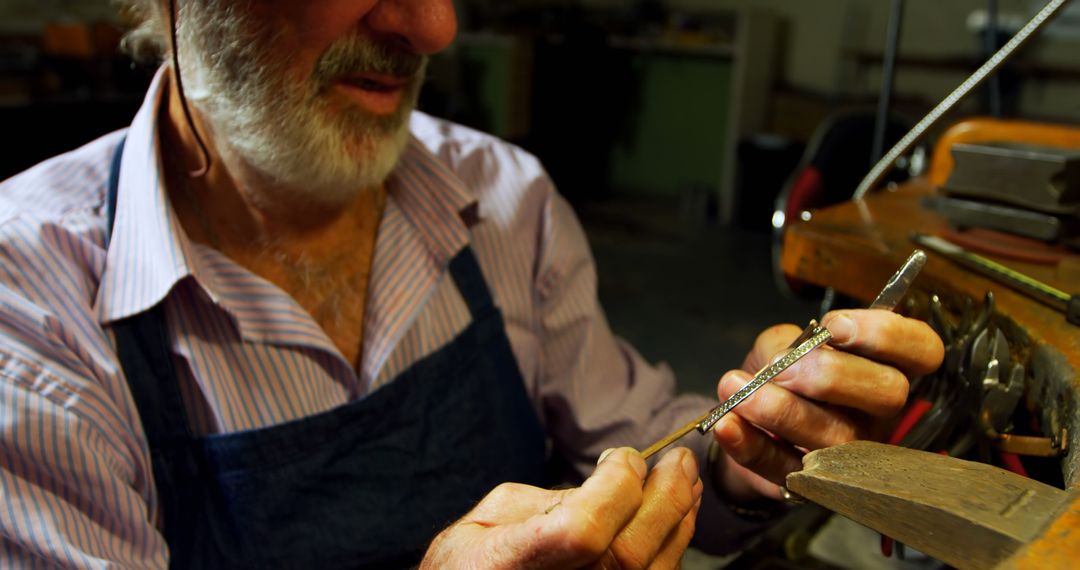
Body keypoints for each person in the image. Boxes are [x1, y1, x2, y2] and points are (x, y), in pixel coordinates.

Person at [0, 0, 944, 568]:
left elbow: (653, 443)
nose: (434, 27)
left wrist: (749, 451)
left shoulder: (504, 202)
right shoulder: (29, 309)